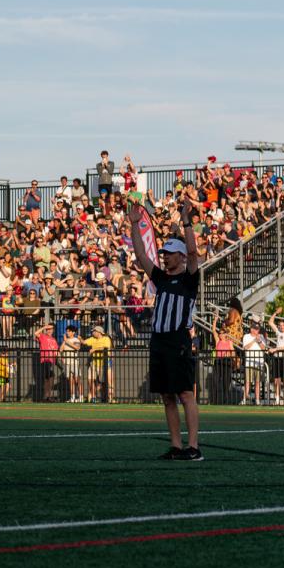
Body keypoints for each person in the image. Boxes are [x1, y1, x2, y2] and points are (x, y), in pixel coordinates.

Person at [129, 198, 202, 461]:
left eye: (170, 253)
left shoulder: (189, 278)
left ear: (180, 256)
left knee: (185, 393)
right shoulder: (161, 278)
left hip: (178, 339)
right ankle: (176, 446)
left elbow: (193, 254)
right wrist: (134, 225)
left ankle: (193, 446)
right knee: (167, 396)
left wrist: (186, 222)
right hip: (159, 340)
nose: (165, 257)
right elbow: (141, 256)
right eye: (165, 253)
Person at [83, 326, 112, 403]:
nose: (92, 332)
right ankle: (93, 397)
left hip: (104, 364)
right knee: (90, 380)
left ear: (99, 332)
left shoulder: (106, 339)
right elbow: (84, 342)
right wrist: (79, 338)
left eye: (94, 331)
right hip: (94, 363)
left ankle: (109, 398)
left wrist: (95, 349)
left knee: (105, 382)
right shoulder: (92, 339)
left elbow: (105, 348)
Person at [241, 321, 267, 405]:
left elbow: (264, 349)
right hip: (249, 363)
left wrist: (259, 341)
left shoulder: (261, 336)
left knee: (257, 382)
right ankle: (244, 399)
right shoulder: (246, 336)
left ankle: (257, 400)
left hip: (259, 362)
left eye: (258, 329)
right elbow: (245, 347)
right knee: (247, 382)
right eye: (255, 329)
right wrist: (254, 340)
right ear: (251, 329)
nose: (257, 331)